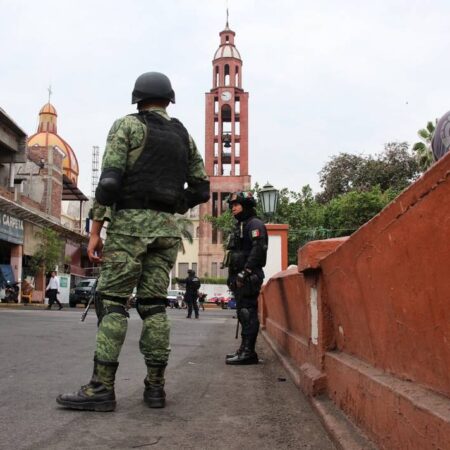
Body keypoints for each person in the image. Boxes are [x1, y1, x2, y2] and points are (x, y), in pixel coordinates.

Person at [56, 72, 210, 412]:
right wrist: (172, 205)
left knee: (112, 303)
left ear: (138, 99)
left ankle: (101, 389)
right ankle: (155, 389)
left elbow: (109, 183)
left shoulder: (127, 126)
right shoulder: (183, 136)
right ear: (169, 99)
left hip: (128, 229)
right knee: (154, 306)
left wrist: (95, 231)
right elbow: (201, 189)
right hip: (167, 231)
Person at [223, 191, 268, 365]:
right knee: (243, 313)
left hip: (249, 277)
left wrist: (245, 272)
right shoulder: (242, 225)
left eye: (236, 205)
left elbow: (258, 250)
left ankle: (249, 352)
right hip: (240, 277)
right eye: (232, 205)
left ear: (246, 205)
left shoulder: (255, 224)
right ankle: (244, 348)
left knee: (248, 313)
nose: (233, 208)